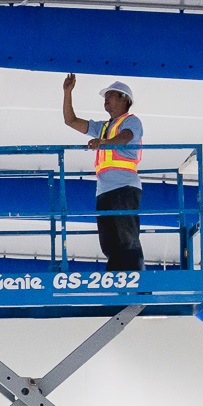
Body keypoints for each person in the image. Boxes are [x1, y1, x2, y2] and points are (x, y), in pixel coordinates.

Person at [62, 75, 143, 271]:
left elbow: (124, 138)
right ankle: (116, 282)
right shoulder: (103, 127)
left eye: (110, 95)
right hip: (104, 190)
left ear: (124, 99)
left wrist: (103, 142)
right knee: (109, 242)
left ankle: (137, 283)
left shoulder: (131, 121)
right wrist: (67, 92)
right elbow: (70, 120)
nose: (106, 100)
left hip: (124, 187)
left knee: (127, 238)